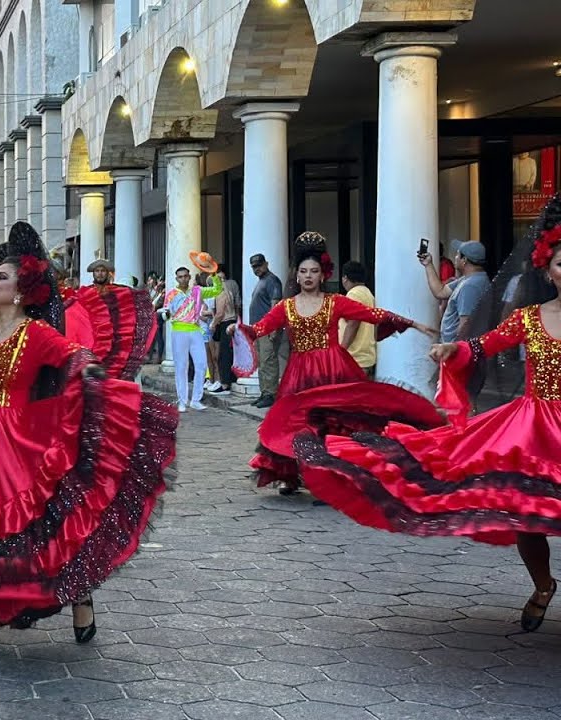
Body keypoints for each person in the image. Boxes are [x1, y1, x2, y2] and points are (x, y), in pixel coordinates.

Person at [0, 222, 176, 639]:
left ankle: (79, 595)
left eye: (1, 278)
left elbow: (73, 354)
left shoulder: (35, 334)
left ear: (21, 290)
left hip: (13, 444)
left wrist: (94, 375)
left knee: (32, 530)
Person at [294, 196, 561, 632]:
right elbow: (484, 345)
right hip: (533, 426)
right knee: (526, 512)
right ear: (548, 269)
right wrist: (454, 348)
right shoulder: (529, 318)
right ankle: (543, 584)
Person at [233, 248, 438, 495]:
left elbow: (371, 314)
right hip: (300, 374)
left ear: (322, 276)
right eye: (303, 271)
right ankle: (289, 475)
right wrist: (238, 330)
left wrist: (413, 324)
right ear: (297, 276)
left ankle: (334, 478)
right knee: (294, 423)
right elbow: (261, 328)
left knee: (333, 426)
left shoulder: (335, 302)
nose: (309, 276)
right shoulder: (286, 307)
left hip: (333, 370)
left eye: (314, 271)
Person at [159, 266, 222, 412]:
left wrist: (213, 275)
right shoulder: (172, 294)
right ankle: (182, 401)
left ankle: (196, 400)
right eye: (180, 277)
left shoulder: (197, 291)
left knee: (201, 365)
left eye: (185, 276)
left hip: (195, 330)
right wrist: (164, 314)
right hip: (179, 331)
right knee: (181, 367)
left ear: (189, 277)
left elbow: (217, 290)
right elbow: (166, 312)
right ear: (176, 279)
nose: (183, 279)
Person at [424, 240, 491, 343]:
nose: (455, 257)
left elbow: (465, 326)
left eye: (457, 254)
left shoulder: (470, 286)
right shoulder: (470, 279)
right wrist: (428, 264)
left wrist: (453, 349)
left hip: (455, 350)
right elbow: (440, 292)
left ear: (464, 260)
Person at [249, 253, 285, 408]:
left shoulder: (272, 280)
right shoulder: (262, 281)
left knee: (268, 361)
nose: (257, 269)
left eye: (259, 265)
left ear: (266, 264)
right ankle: (264, 392)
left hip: (267, 329)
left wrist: (273, 328)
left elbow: (276, 305)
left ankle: (270, 394)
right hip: (258, 329)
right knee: (262, 363)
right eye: (254, 267)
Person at [338, 261, 377, 376]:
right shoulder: (368, 293)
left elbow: (353, 323)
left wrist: (341, 351)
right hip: (364, 356)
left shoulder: (354, 294)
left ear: (345, 278)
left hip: (354, 357)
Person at [208, 272, 237, 395]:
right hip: (229, 321)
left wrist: (213, 324)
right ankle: (227, 380)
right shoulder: (227, 291)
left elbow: (220, 313)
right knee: (227, 354)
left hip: (225, 322)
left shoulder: (221, 292)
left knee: (223, 355)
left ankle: (225, 384)